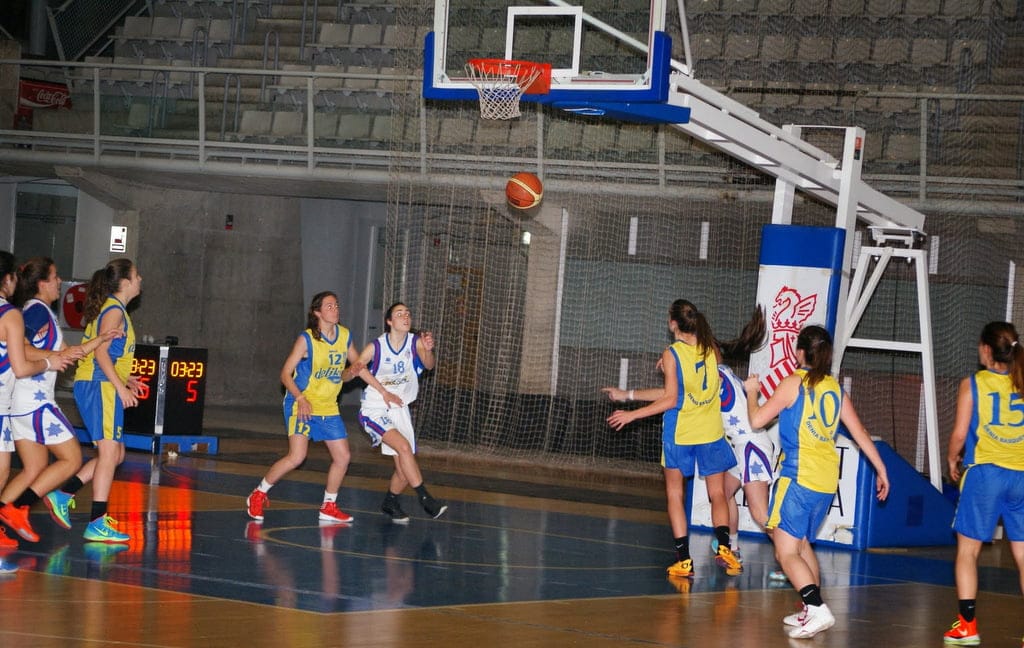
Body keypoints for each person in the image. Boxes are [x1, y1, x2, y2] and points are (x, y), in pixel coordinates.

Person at [744, 324, 889, 639]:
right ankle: (811, 608)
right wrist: (881, 469)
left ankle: (818, 607)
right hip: (825, 481)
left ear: (799, 353)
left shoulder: (793, 383)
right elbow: (860, 433)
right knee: (801, 542)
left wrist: (752, 393)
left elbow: (756, 421)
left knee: (785, 552)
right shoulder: (835, 389)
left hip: (798, 477)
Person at [602, 299, 742, 579]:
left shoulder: (673, 353)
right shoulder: (712, 350)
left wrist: (632, 414)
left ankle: (684, 560)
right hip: (711, 431)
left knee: (675, 494)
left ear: (673, 323)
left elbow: (670, 399)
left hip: (681, 433)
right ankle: (725, 548)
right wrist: (627, 394)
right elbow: (675, 391)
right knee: (718, 494)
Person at [0, 258, 115, 544]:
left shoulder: (43, 314)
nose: (60, 281)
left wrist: (100, 340)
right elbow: (23, 348)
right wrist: (50, 360)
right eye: (55, 277)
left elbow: (68, 352)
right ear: (42, 283)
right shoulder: (35, 312)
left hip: (20, 404)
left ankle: (5, 516)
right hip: (34, 400)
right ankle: (20, 508)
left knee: (33, 468)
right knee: (72, 458)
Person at [246, 291, 368, 525]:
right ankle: (258, 493)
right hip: (302, 402)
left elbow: (345, 375)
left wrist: (352, 374)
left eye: (337, 305)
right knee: (297, 456)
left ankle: (329, 506)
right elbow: (284, 374)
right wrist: (301, 398)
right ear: (317, 312)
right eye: (330, 306)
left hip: (328, 405)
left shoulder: (344, 337)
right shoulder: (307, 339)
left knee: (343, 457)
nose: (335, 309)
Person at [47, 258, 142, 543]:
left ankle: (62, 494)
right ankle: (97, 522)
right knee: (110, 454)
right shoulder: (113, 310)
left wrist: (125, 379)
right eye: (136, 275)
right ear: (124, 282)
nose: (140, 279)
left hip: (99, 384)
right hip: (99, 386)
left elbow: (107, 354)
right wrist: (119, 387)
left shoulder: (115, 309)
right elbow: (100, 353)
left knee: (115, 455)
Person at [943, 322, 1024, 646]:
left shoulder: (973, 383)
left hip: (986, 473)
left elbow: (961, 434)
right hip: (1021, 474)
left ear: (987, 350)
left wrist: (952, 459)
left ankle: (967, 626)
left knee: (967, 551)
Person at [355, 302, 447, 523]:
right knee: (404, 448)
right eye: (399, 314)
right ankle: (426, 499)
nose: (406, 316)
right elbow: (357, 368)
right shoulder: (376, 346)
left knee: (406, 469)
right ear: (389, 321)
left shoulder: (416, 342)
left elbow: (430, 365)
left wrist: (428, 349)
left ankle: (390, 501)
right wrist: (380, 389)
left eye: (408, 313)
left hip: (400, 409)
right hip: (375, 408)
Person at [0, 252, 52, 563]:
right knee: (3, 470)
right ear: (7, 279)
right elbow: (20, 367)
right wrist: (49, 361)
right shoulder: (10, 314)